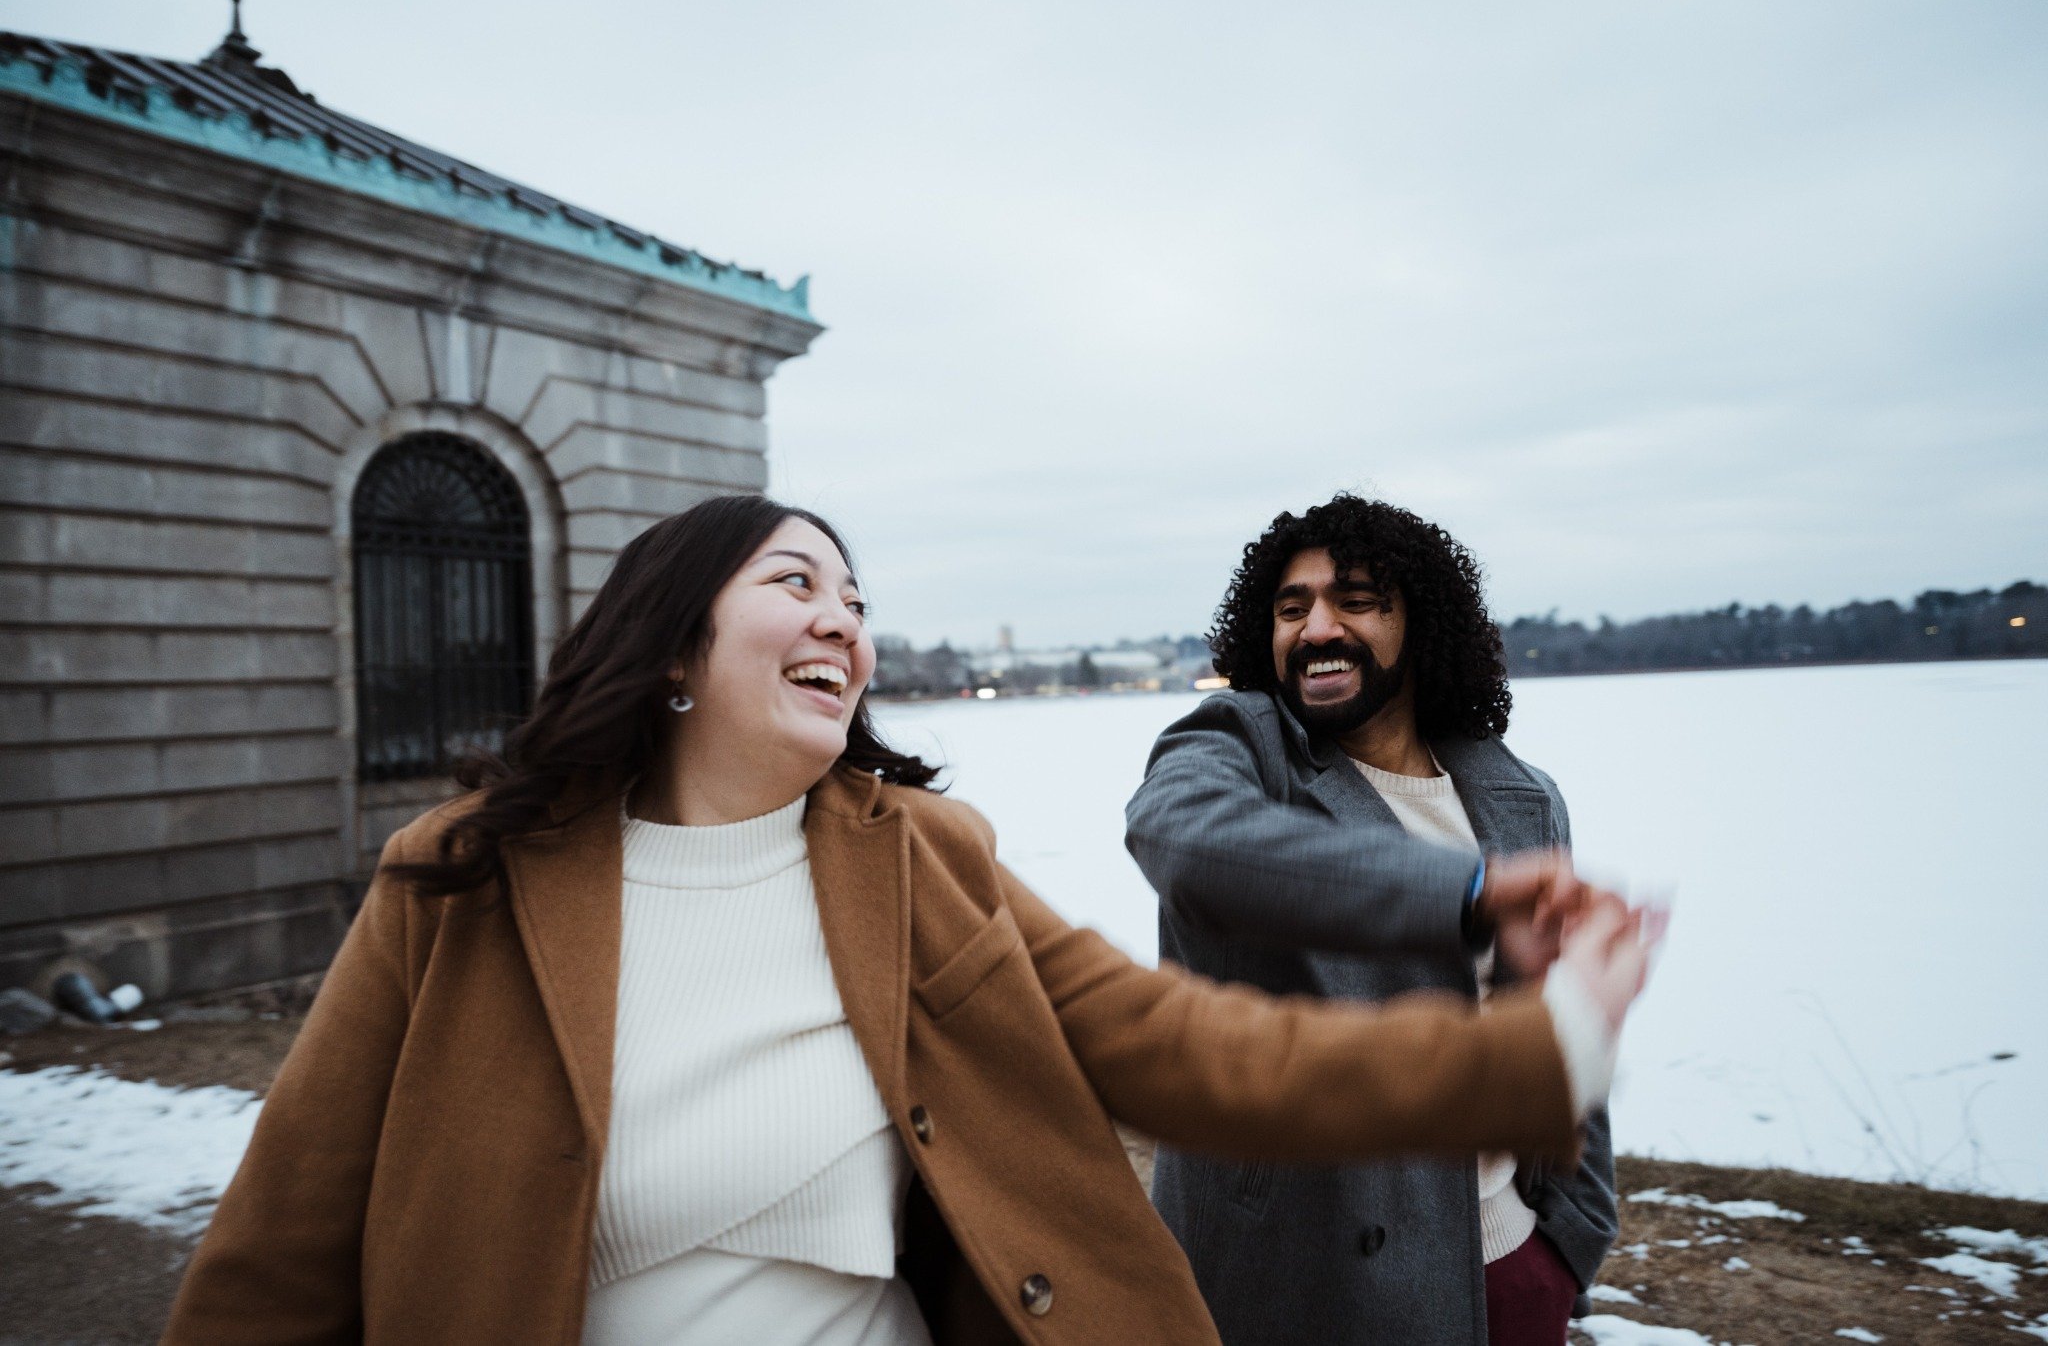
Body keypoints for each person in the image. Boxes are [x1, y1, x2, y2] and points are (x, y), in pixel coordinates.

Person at [163, 494, 1650, 1346]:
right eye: (794, 582)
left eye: (857, 599)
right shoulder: (459, 881)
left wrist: (1545, 1058)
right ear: (672, 645)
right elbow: (281, 1253)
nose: (843, 620)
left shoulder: (917, 859)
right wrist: (1462, 902)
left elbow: (1192, 1049)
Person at [1126, 493, 1626, 1346]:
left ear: (1419, 624)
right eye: (1292, 608)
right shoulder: (1234, 746)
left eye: (1356, 600)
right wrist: (1463, 894)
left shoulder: (1522, 797)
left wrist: (1570, 1238)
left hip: (1506, 1265)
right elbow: (1181, 839)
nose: (1318, 628)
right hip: (1293, 1284)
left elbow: (1563, 1027)